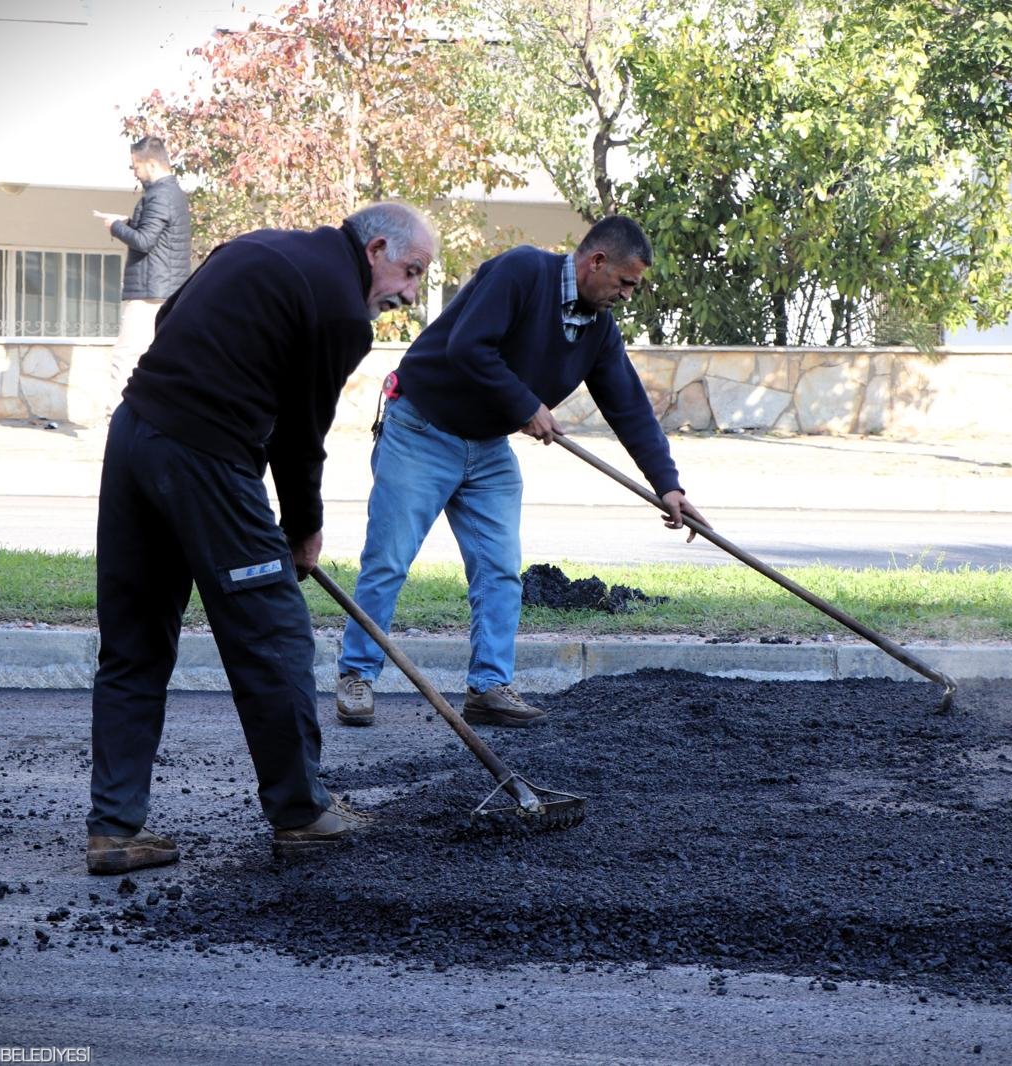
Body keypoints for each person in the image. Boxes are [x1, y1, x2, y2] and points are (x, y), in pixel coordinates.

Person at [85, 202, 438, 875]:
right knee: (274, 635)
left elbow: (169, 318)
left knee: (134, 644)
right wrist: (303, 529)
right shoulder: (341, 312)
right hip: (203, 457)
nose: (410, 293)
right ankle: (302, 814)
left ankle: (113, 829)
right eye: (411, 271)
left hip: (134, 436)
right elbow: (303, 435)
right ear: (376, 249)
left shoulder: (257, 246)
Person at [334, 215, 708, 729]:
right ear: (596, 261)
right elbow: (468, 345)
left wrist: (668, 485)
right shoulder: (522, 272)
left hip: (487, 447)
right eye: (624, 282)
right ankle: (357, 675)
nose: (626, 295)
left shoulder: (598, 329)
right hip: (422, 430)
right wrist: (525, 403)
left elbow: (629, 407)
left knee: (500, 569)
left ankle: (489, 687)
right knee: (388, 561)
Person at [93, 135, 192, 423]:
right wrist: (126, 221)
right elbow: (156, 233)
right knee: (159, 360)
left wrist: (114, 227)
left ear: (150, 163)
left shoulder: (159, 195)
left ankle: (116, 421)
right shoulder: (172, 193)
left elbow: (145, 240)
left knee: (125, 357)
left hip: (150, 292)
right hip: (164, 290)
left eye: (135, 165)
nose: (134, 171)